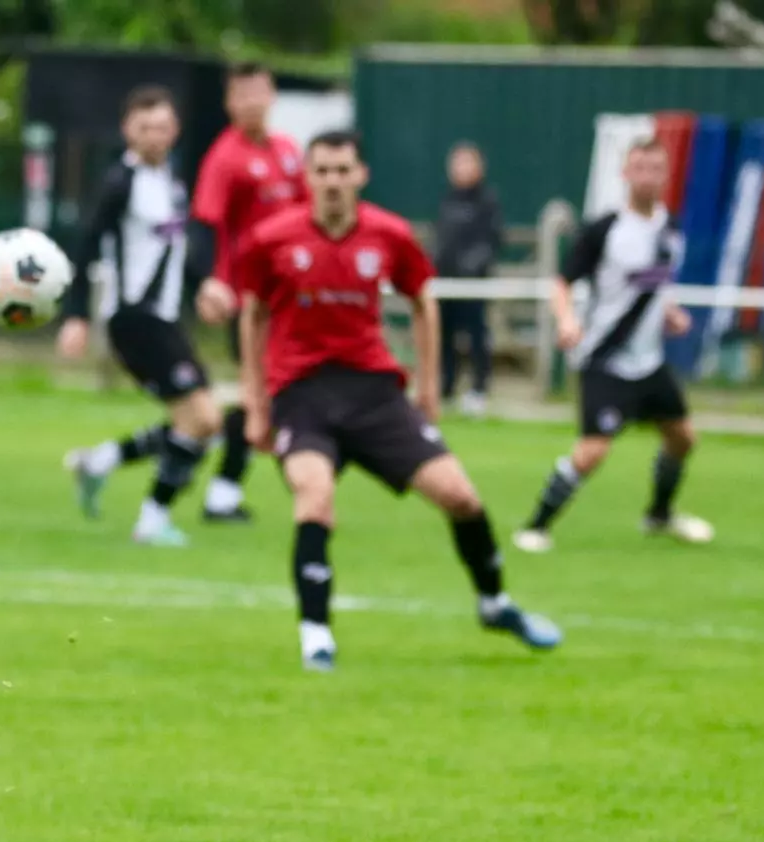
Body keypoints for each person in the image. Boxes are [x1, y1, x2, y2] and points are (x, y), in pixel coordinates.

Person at [234, 130, 561, 671]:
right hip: (303, 395)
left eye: (343, 170)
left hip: (374, 394)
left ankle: (494, 602)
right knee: (313, 497)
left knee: (460, 496)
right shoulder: (273, 237)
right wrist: (255, 404)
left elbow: (422, 301)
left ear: (361, 175)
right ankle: (316, 634)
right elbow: (253, 314)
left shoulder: (389, 234)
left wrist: (429, 387)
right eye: (323, 171)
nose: (333, 182)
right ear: (307, 178)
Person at [515, 139, 712, 554]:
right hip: (606, 358)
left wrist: (672, 312)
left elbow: (658, 287)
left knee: (683, 439)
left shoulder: (671, 229)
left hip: (650, 361)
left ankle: (658, 515)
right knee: (592, 452)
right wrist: (567, 319)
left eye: (655, 168)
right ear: (626, 173)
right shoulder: (605, 230)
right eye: (638, 167)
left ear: (665, 174)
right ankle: (535, 526)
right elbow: (561, 282)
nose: (647, 176)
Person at [57, 85, 221, 548]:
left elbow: (173, 248)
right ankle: (151, 520)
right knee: (204, 419)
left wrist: (202, 286)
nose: (154, 136)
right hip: (135, 318)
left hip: (164, 318)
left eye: (162, 127)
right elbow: (88, 244)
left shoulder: (170, 181)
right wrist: (76, 316)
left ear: (175, 131)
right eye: (144, 127)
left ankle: (101, 462)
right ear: (127, 129)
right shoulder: (120, 183)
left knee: (198, 421)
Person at [189, 61, 309, 524]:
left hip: (291, 298)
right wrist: (212, 281)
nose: (253, 101)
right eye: (243, 94)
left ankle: (225, 482)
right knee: (262, 393)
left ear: (272, 94)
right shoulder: (225, 157)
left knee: (268, 395)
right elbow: (203, 227)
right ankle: (224, 485)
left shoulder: (287, 151)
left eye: (260, 91)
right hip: (249, 303)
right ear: (230, 102)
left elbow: (306, 217)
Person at [435, 142, 502, 417]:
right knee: (444, 336)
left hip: (474, 284)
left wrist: (471, 267)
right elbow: (441, 238)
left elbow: (493, 240)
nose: (461, 169)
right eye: (457, 163)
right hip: (445, 282)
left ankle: (478, 390)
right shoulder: (447, 199)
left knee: (476, 337)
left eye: (467, 163)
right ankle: (447, 389)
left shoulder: (488, 200)